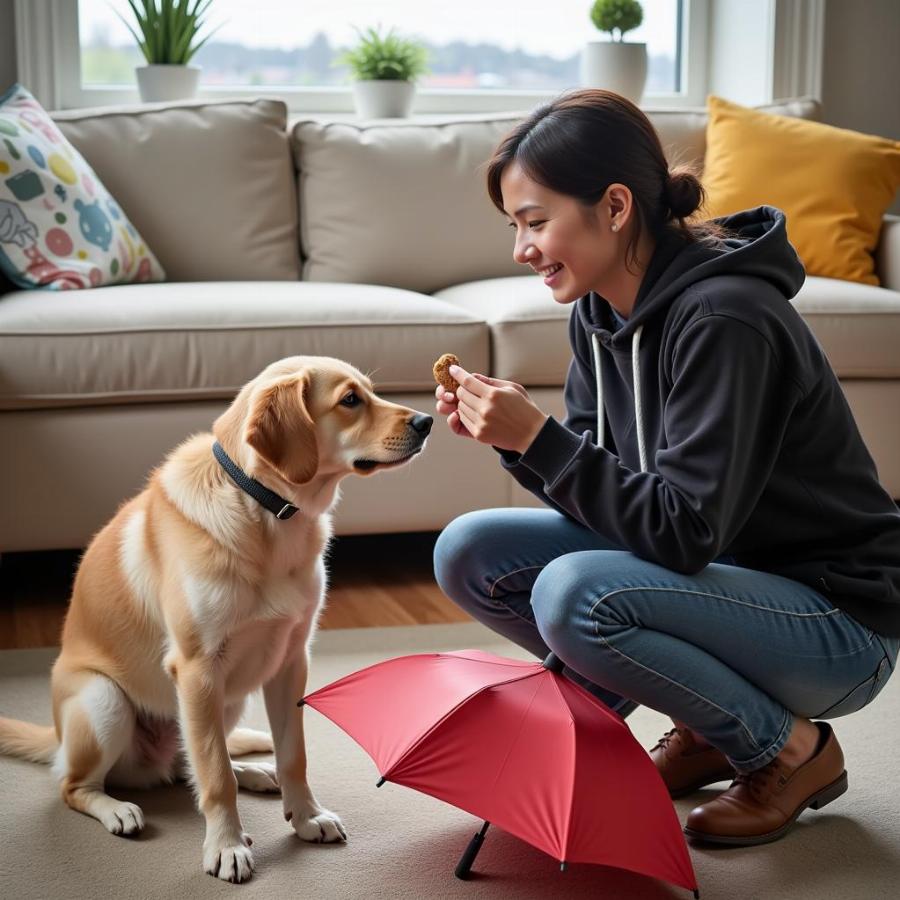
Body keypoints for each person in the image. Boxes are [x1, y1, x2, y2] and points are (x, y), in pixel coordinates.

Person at [431, 89, 900, 847]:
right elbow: (608, 503)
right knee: (467, 550)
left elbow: (683, 534)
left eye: (535, 221)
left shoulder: (728, 318)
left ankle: (789, 750)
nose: (521, 249)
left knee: (575, 592)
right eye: (515, 226)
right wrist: (518, 442)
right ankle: (705, 725)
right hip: (717, 590)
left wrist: (542, 440)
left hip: (835, 623)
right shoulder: (597, 311)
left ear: (615, 208)